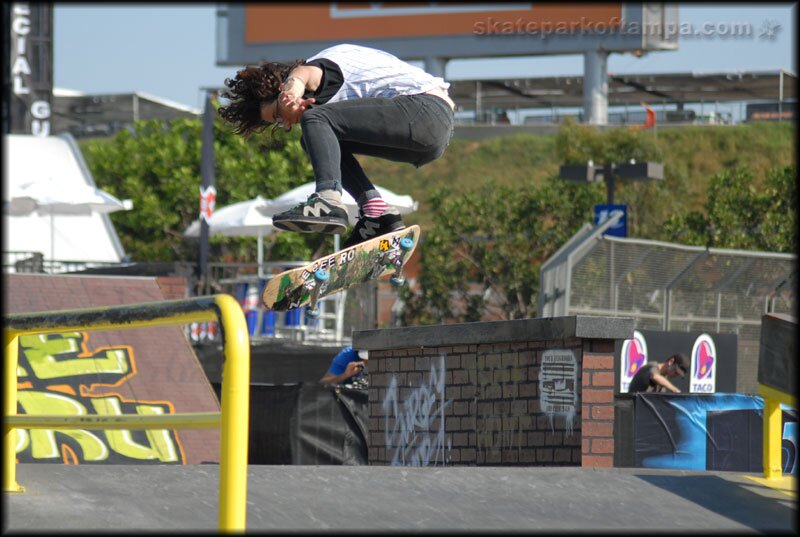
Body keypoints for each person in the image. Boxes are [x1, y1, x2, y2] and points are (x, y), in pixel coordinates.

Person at [218, 43, 455, 248]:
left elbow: (300, 76)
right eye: (279, 123)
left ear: (280, 91)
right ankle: (378, 214)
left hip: (424, 112)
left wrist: (290, 93)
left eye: (279, 115)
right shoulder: (328, 84)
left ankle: (327, 201)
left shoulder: (318, 68)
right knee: (315, 137)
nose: (286, 123)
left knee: (316, 119)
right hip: (429, 136)